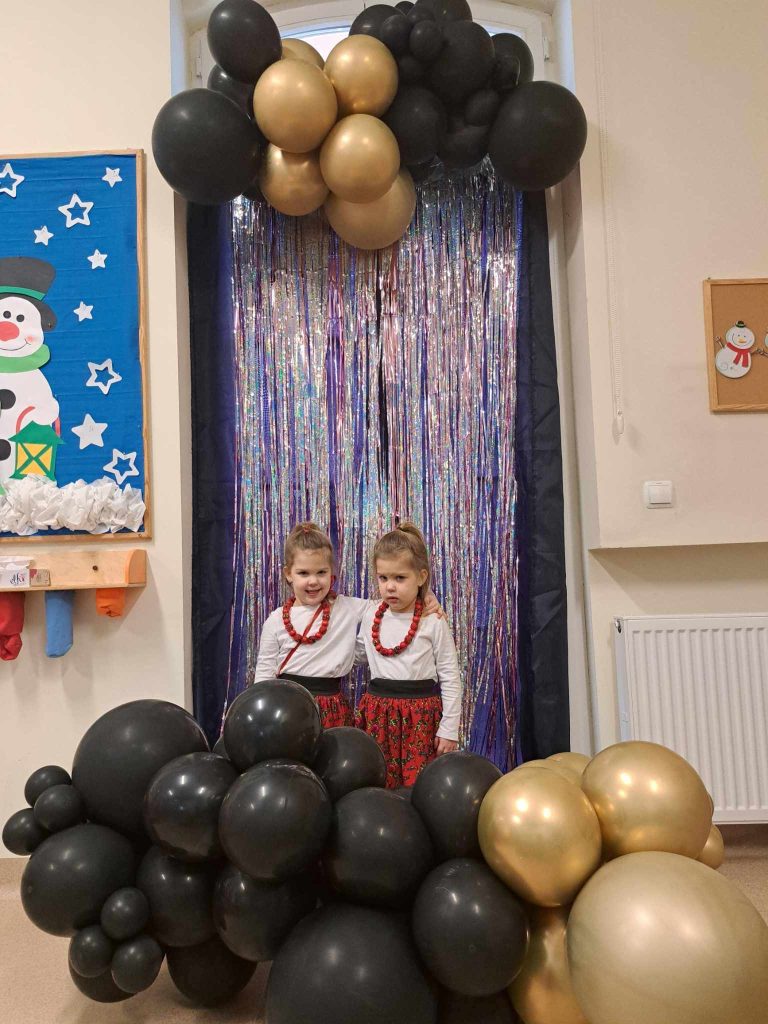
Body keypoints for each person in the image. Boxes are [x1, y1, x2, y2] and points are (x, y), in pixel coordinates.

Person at [255, 522, 443, 729]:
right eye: (303, 573)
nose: (313, 581)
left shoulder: (348, 607)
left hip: (332, 708)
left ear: (332, 574)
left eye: (321, 572)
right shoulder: (276, 620)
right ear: (288, 573)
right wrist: (263, 713)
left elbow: (392, 601)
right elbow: (264, 673)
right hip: (286, 707)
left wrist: (426, 595)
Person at [356, 522, 462, 788]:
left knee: (419, 787)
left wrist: (449, 728)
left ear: (421, 576)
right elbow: (355, 654)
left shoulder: (432, 621)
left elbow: (450, 676)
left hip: (420, 720)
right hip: (378, 716)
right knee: (377, 782)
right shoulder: (370, 614)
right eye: (383, 578)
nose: (390, 587)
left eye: (400, 578)